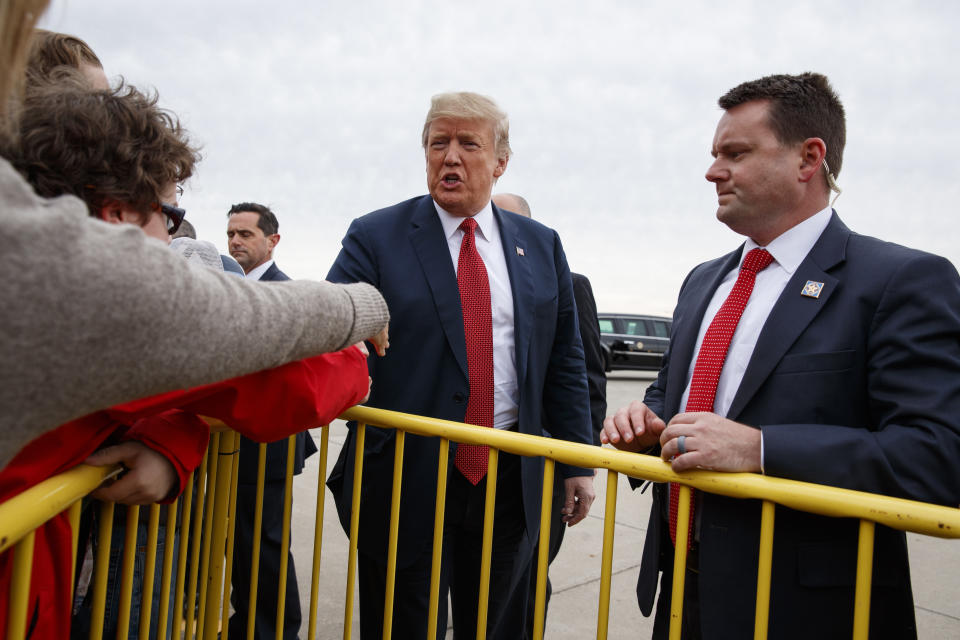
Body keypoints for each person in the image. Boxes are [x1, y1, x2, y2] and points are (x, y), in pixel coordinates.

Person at [601, 72, 960, 639]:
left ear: (808, 158)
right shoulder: (702, 282)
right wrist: (644, 422)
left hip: (806, 608)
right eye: (715, 154)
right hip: (683, 587)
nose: (712, 171)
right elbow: (671, 393)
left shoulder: (900, 280)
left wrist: (762, 449)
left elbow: (938, 456)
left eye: (735, 153)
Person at [0, 4, 390, 471]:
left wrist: (171, 438)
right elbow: (283, 376)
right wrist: (366, 305)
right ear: (116, 210)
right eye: (166, 212)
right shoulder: (71, 277)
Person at [326, 92, 595, 639]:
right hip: (406, 474)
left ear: (500, 161)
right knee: (405, 623)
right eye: (437, 143)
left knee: (499, 624)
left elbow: (564, 357)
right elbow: (336, 329)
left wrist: (578, 461)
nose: (450, 157)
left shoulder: (540, 245)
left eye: (468, 144)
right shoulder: (376, 235)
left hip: (510, 475)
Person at [491, 192, 607, 638]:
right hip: (482, 466)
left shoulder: (567, 283)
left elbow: (586, 380)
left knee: (528, 573)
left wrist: (577, 462)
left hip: (541, 464)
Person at [225, 202, 315, 640]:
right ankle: (245, 625)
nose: (236, 242)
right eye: (231, 235)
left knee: (264, 547)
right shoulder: (228, 289)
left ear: (272, 241)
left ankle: (276, 631)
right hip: (236, 443)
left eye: (245, 234)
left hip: (268, 446)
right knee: (241, 547)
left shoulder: (284, 293)